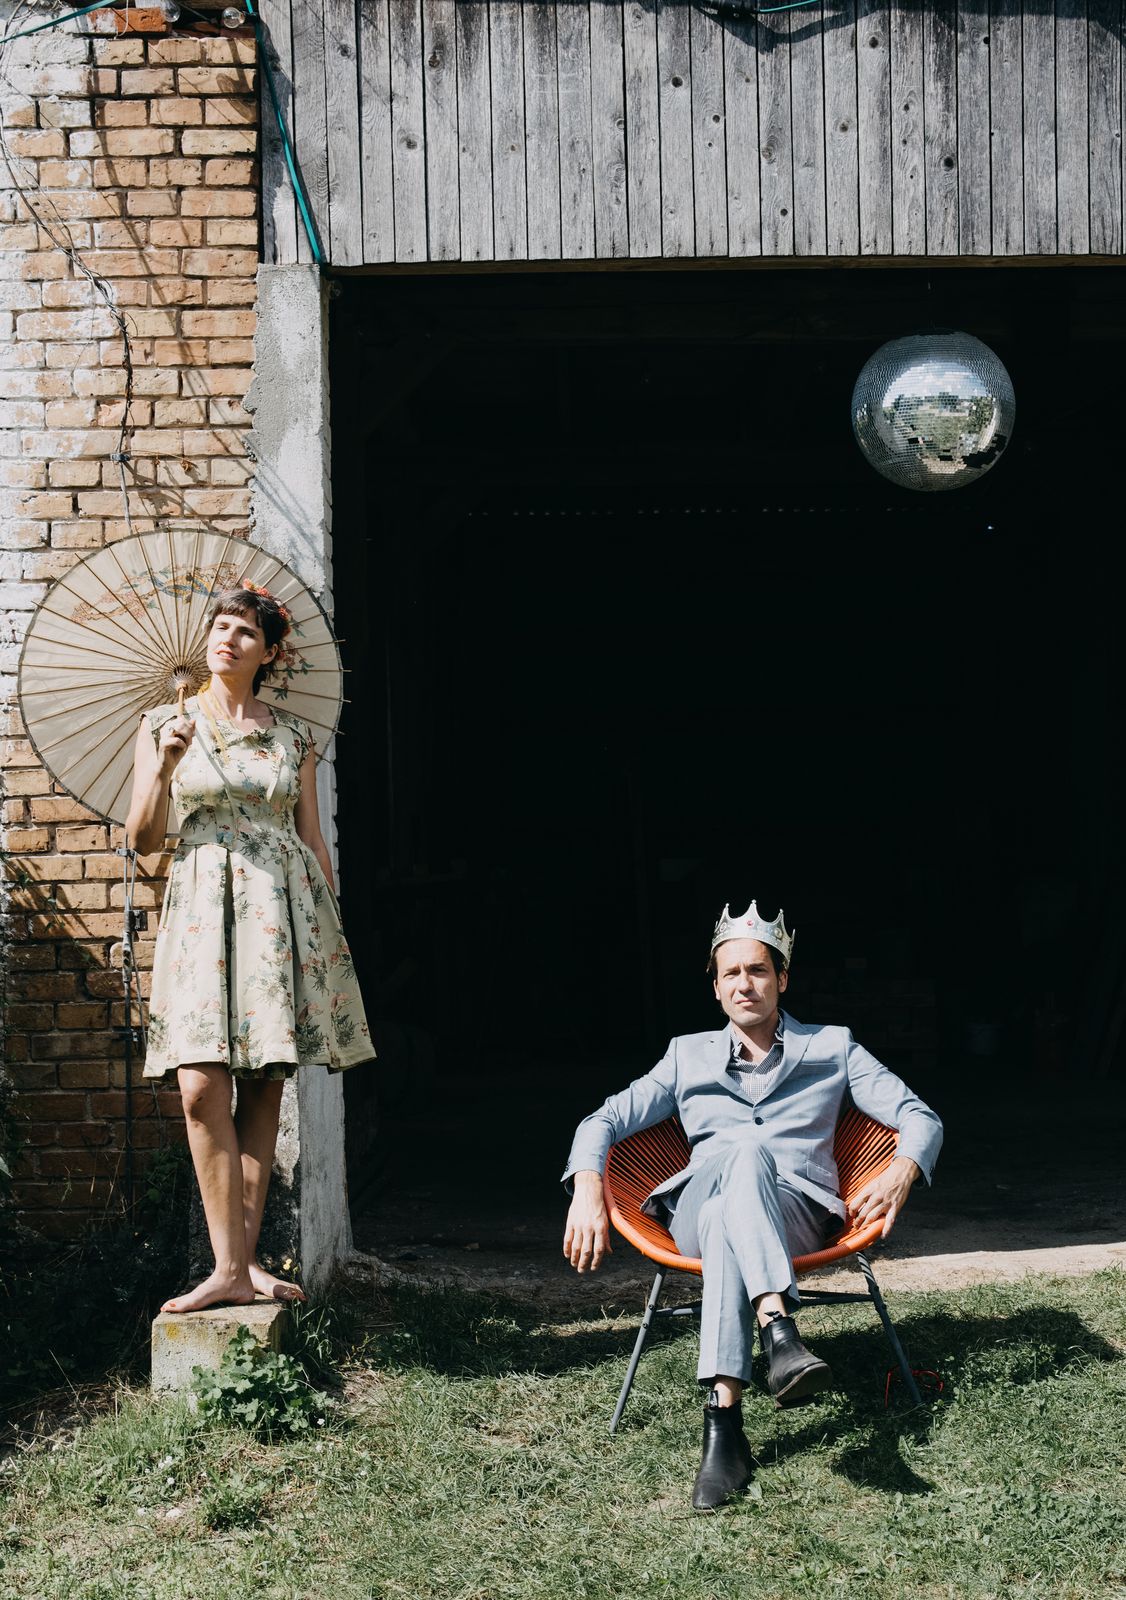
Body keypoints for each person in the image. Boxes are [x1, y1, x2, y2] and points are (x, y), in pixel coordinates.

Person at [561, 901, 942, 1510]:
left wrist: (902, 1169)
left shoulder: (832, 1046)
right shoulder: (685, 1055)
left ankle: (725, 1430)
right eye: (731, 973)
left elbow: (918, 1116)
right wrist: (586, 1186)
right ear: (715, 988)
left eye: (759, 970)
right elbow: (602, 1120)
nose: (745, 984)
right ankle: (778, 1331)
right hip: (694, 1209)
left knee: (728, 1215)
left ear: (782, 979)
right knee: (739, 1157)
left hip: (795, 1215)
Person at [126, 583, 375, 1313]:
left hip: (279, 913)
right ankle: (226, 1266)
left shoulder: (294, 738)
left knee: (265, 1081)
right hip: (202, 909)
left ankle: (242, 1266)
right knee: (200, 1086)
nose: (226, 639)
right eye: (220, 626)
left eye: (244, 631)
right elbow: (143, 844)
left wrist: (329, 936)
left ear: (268, 653)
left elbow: (312, 841)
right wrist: (166, 765)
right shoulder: (164, 723)